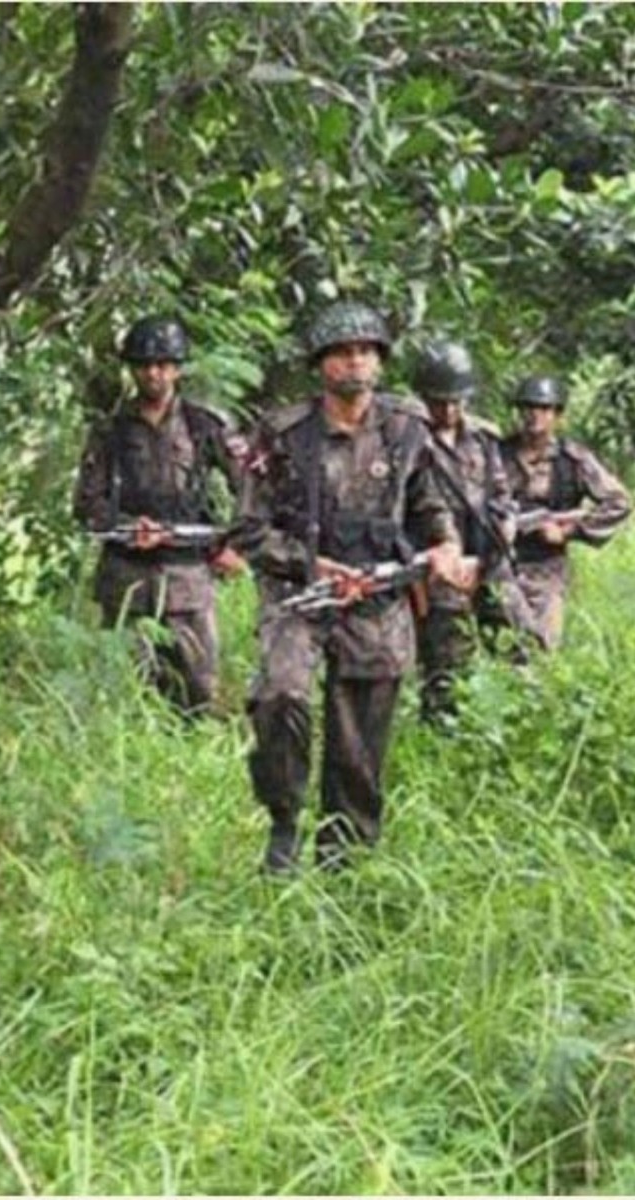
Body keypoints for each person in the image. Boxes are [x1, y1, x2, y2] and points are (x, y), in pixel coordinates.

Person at [238, 301, 470, 873]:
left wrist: (445, 545)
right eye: (342, 352)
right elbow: (249, 530)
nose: (355, 362)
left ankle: (347, 860)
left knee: (360, 740)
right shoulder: (284, 433)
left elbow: (430, 504)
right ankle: (284, 820)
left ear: (381, 361)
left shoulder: (406, 429)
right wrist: (309, 564)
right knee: (279, 696)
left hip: (376, 594)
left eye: (366, 351)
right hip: (300, 593)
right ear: (321, 364)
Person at [71, 314, 246, 717]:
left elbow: (252, 491)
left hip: (188, 574)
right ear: (132, 369)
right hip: (126, 578)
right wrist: (128, 526)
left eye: (163, 364)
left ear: (178, 368)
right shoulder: (110, 430)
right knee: (127, 694)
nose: (154, 374)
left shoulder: (204, 426)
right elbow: (86, 503)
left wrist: (232, 546)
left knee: (198, 692)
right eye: (144, 365)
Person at [407, 339, 533, 719]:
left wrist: (505, 525)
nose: (448, 411)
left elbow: (501, 491)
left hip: (489, 555)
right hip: (439, 564)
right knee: (447, 661)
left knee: (519, 643)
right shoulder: (408, 439)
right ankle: (445, 732)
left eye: (456, 401)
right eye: (438, 402)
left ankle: (520, 722)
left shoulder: (483, 437)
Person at [498, 374, 630, 650]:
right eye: (528, 407)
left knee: (541, 649)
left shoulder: (573, 459)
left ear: (557, 415)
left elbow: (618, 502)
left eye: (544, 408)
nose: (535, 415)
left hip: (545, 568)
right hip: (498, 565)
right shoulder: (496, 454)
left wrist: (567, 532)